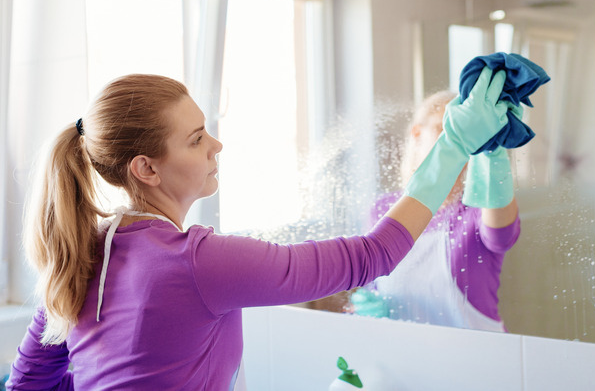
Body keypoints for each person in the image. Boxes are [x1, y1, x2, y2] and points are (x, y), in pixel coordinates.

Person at [6, 66, 509, 390]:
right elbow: (370, 257)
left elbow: (28, 382)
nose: (216, 147)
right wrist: (452, 147)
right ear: (146, 169)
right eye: (197, 138)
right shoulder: (197, 260)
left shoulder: (84, 253)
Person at [350, 90, 521, 332]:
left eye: (464, 134)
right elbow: (374, 285)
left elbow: (501, 236)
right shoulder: (382, 210)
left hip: (477, 358)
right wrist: (368, 307)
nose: (455, 143)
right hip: (404, 355)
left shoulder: (477, 207)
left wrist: (493, 152)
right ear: (417, 134)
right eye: (444, 130)